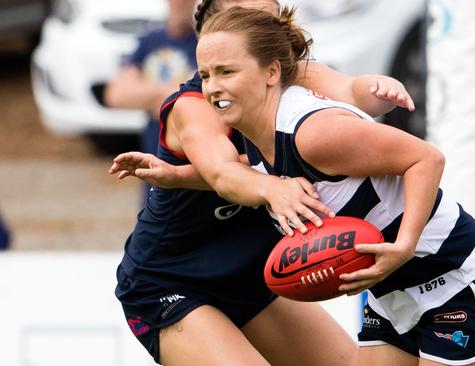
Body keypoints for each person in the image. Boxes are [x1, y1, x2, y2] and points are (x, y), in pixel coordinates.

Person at [192, 6, 475, 365]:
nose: (212, 88)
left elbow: (426, 159)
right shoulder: (250, 130)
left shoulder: (313, 133)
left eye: (226, 72)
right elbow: (237, 173)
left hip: (456, 279)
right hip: (392, 295)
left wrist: (406, 244)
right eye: (205, 75)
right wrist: (168, 174)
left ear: (271, 72)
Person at [109, 0, 418, 364]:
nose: (266, 31)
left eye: (270, 21)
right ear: (214, 32)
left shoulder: (289, 74)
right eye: (248, 17)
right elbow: (223, 174)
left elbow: (351, 89)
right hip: (171, 282)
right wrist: (273, 188)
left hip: (252, 275)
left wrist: (379, 88)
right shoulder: (193, 107)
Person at [105, 0, 198, 200]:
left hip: (189, 154)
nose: (180, 4)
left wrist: (146, 94)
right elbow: (116, 94)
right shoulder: (149, 41)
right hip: (153, 147)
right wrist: (168, 94)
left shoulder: (201, 42)